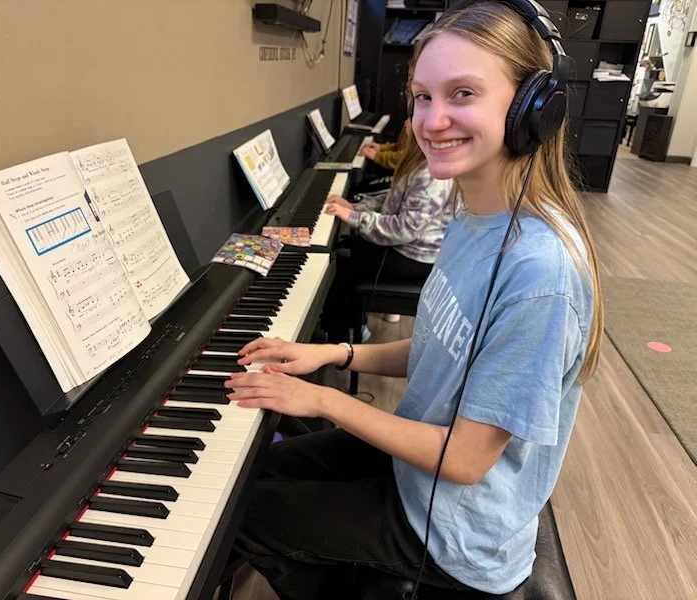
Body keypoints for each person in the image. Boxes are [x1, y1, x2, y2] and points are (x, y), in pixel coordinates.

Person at [226, 2, 604, 598]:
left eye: (462, 93)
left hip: (455, 533)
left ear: (536, 108)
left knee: (239, 518)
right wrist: (331, 354)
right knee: (246, 478)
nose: (432, 120)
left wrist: (321, 401)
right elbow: (440, 344)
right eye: (423, 96)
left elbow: (465, 461)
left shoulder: (540, 272)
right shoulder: (474, 212)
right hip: (415, 470)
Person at [321, 130, 453, 341]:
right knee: (346, 247)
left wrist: (355, 217)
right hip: (405, 245)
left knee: (340, 262)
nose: (408, 127)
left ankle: (340, 336)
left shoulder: (432, 175)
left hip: (416, 256)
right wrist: (355, 207)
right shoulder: (417, 162)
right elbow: (392, 198)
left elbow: (403, 230)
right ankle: (348, 322)